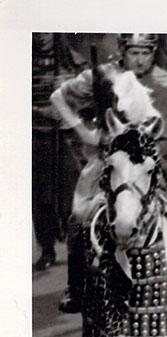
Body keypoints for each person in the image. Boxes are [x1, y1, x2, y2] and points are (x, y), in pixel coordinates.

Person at [50, 34, 167, 310]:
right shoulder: (101, 76)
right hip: (108, 163)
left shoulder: (165, 82)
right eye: (134, 52)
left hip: (150, 162)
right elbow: (58, 97)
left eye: (146, 53)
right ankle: (77, 286)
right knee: (80, 216)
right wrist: (86, 132)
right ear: (122, 50)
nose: (141, 59)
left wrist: (147, 160)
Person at [32, 33, 86, 272]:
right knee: (41, 196)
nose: (42, 37)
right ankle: (47, 248)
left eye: (46, 32)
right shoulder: (24, 60)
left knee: (72, 197)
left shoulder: (73, 60)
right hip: (38, 135)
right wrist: (40, 110)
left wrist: (69, 102)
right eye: (37, 32)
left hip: (68, 137)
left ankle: (78, 250)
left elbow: (90, 95)